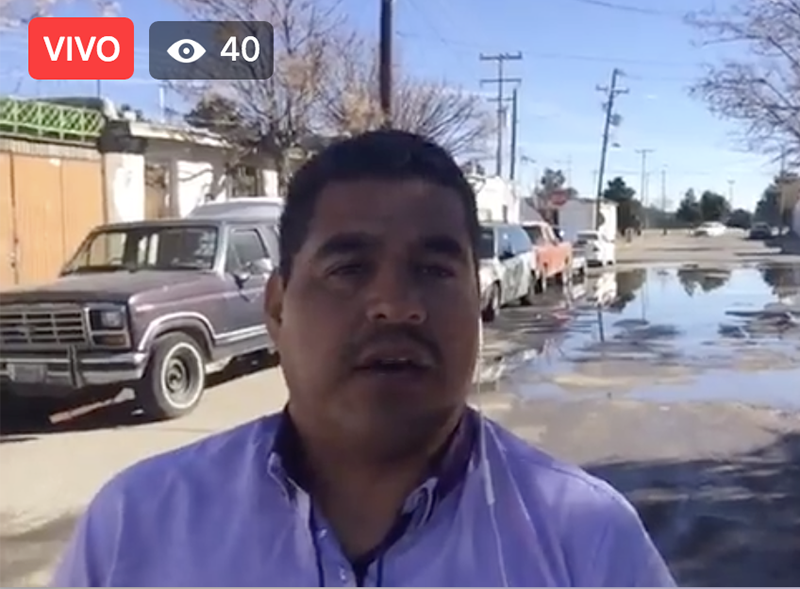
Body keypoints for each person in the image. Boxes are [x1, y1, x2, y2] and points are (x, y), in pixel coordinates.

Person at [52, 130, 675, 587]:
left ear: (478, 299)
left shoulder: (586, 540)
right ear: (277, 308)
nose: (396, 307)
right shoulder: (136, 526)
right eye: (349, 268)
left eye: (434, 270)